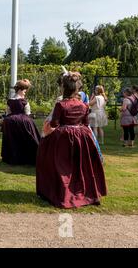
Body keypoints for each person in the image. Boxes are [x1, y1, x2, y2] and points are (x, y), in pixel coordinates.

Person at [36, 72, 107, 209]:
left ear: (64, 89)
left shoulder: (61, 105)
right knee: (79, 165)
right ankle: (83, 191)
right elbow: (85, 124)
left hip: (63, 137)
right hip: (81, 137)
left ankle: (62, 192)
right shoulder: (83, 105)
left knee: (60, 165)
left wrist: (46, 132)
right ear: (77, 89)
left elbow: (55, 124)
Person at [1, 79, 41, 165]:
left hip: (10, 121)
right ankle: (28, 157)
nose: (25, 92)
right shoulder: (24, 101)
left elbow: (8, 112)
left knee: (12, 139)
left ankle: (12, 157)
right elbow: (27, 113)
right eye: (24, 90)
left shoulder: (10, 101)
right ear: (20, 90)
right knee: (29, 137)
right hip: (23, 120)